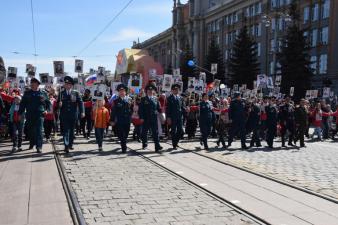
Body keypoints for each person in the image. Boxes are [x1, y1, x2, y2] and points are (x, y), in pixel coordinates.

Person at [18, 78, 51, 153]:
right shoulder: (27, 93)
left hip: (40, 114)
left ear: (37, 84)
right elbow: (22, 104)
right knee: (31, 131)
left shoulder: (43, 93)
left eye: (34, 83)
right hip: (29, 115)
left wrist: (46, 110)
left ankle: (39, 147)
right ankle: (32, 143)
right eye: (31, 83)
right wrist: (20, 113)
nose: (32, 85)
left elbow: (48, 103)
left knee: (39, 130)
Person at [57, 76, 84, 153]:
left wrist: (82, 112)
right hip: (64, 115)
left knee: (72, 131)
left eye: (69, 84)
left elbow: (80, 103)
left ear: (71, 85)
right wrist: (59, 104)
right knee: (65, 131)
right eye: (66, 84)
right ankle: (66, 145)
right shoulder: (61, 93)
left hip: (73, 115)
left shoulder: (76, 93)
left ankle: (71, 144)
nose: (67, 85)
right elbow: (57, 106)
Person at [139, 84, 163, 152]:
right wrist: (141, 117)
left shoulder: (155, 98)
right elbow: (141, 109)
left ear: (153, 91)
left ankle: (157, 146)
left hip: (153, 118)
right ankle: (144, 143)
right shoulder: (143, 99)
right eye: (149, 90)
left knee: (155, 132)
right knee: (144, 132)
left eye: (151, 90)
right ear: (146, 91)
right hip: (146, 118)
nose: (150, 91)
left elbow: (159, 108)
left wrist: (159, 110)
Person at [110, 84, 132, 153]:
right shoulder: (116, 101)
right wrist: (112, 120)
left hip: (127, 120)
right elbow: (113, 111)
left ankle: (123, 142)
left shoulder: (129, 99)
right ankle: (124, 147)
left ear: (125, 92)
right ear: (118, 92)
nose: (122, 92)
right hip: (120, 120)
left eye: (123, 91)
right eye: (120, 91)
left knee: (126, 133)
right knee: (122, 134)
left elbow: (132, 109)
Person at [166, 84, 186, 149]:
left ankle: (176, 142)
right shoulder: (169, 98)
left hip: (179, 116)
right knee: (173, 130)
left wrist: (186, 109)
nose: (176, 91)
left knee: (180, 130)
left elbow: (182, 107)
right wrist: (168, 117)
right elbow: (168, 108)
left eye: (177, 89)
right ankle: (174, 144)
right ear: (172, 90)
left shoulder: (180, 98)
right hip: (172, 117)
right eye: (175, 90)